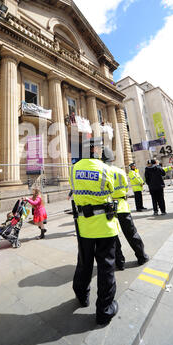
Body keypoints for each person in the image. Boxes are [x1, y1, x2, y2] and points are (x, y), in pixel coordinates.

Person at [69, 137, 119, 326]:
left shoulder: (73, 169)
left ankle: (82, 296)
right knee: (106, 268)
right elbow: (111, 190)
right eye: (98, 149)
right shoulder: (104, 168)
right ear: (95, 151)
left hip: (84, 225)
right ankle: (104, 310)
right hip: (105, 226)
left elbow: (73, 189)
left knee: (84, 262)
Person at [102, 147, 149, 270]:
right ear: (112, 158)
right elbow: (126, 187)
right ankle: (142, 256)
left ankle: (120, 262)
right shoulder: (120, 171)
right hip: (122, 205)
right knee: (132, 233)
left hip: (109, 207)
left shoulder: (102, 171)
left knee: (113, 237)